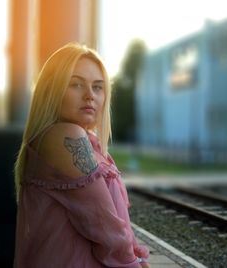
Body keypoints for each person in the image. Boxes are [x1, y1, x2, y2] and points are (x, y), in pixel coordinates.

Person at [13, 42, 150, 268]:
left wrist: (137, 258)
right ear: (51, 89)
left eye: (98, 87)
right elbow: (105, 226)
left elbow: (116, 226)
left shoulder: (90, 144)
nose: (90, 96)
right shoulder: (65, 136)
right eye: (76, 84)